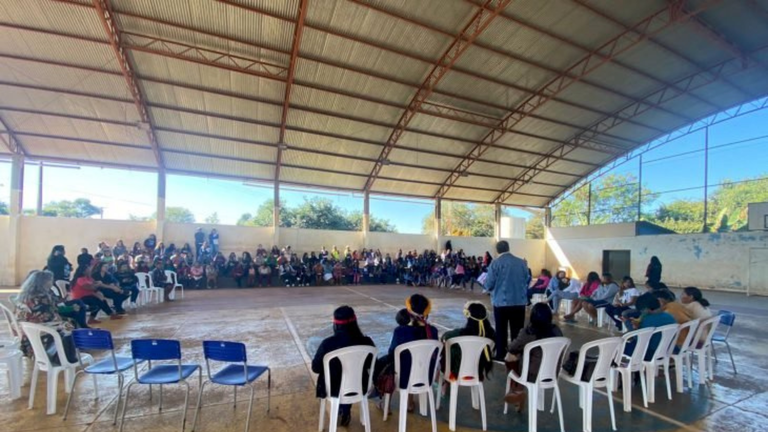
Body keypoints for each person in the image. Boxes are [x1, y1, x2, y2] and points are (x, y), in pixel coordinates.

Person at [311, 306, 375, 428]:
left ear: (335, 324)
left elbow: (316, 368)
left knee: (336, 376)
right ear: (355, 322)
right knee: (349, 376)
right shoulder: (367, 342)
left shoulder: (327, 344)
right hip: (360, 385)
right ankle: (345, 410)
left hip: (333, 388)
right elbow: (371, 364)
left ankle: (342, 410)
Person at [504, 303, 563, 407]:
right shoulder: (556, 330)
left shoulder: (528, 332)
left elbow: (512, 348)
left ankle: (517, 390)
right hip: (552, 373)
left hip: (532, 376)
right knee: (531, 355)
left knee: (510, 356)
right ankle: (519, 391)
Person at [14, 270, 79, 364]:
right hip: (40, 330)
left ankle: (62, 352)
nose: (51, 283)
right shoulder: (42, 298)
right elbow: (50, 316)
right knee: (69, 325)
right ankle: (66, 356)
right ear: (44, 282)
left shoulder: (24, 296)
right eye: (50, 280)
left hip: (26, 330)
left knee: (67, 323)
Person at [484, 241, 529, 360]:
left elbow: (489, 283)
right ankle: (516, 353)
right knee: (518, 330)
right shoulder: (521, 262)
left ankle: (501, 354)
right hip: (519, 301)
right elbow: (527, 279)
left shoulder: (495, 263)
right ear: (509, 248)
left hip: (501, 302)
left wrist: (487, 288)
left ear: (498, 250)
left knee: (501, 329)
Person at [441, 301, 495, 382]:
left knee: (448, 347)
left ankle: (446, 382)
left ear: (467, 315)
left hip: (457, 372)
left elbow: (445, 337)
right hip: (478, 372)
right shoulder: (491, 334)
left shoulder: (460, 334)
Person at [625, 293, 677, 360]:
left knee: (618, 347)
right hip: (666, 351)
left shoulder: (647, 320)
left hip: (650, 353)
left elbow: (640, 341)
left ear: (646, 309)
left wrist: (631, 327)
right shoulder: (669, 316)